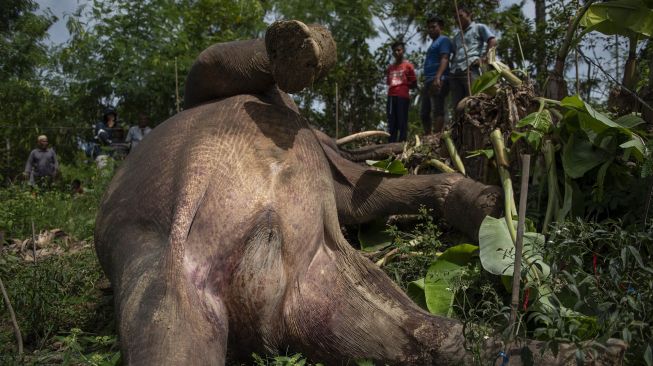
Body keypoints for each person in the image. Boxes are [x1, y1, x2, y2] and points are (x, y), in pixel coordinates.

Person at [449, 6, 497, 115]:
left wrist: (486, 58)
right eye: (455, 18)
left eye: (460, 16)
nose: (457, 19)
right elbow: (455, 53)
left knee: (474, 100)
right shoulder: (457, 36)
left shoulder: (479, 27)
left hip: (470, 67)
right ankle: (459, 129)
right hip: (455, 71)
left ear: (469, 15)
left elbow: (492, 41)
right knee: (457, 106)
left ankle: (477, 125)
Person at [420, 16, 452, 135]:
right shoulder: (433, 44)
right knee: (424, 112)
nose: (430, 30)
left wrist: (438, 77)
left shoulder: (444, 40)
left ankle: (437, 136)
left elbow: (445, 58)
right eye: (429, 28)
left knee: (438, 109)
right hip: (429, 80)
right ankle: (428, 136)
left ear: (441, 27)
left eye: (433, 27)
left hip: (439, 79)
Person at [385, 41, 417, 142]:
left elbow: (414, 83)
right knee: (392, 121)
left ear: (403, 51)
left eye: (399, 50)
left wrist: (404, 87)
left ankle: (402, 143)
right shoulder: (390, 68)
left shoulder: (408, 66)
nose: (396, 52)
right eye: (394, 51)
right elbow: (388, 82)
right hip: (391, 96)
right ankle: (391, 144)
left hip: (402, 97)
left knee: (402, 120)